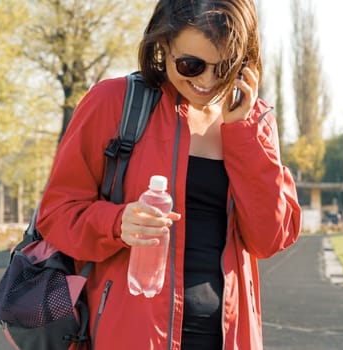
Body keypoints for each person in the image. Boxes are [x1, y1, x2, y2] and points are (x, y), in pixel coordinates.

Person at [36, 1, 301, 349]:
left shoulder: (255, 119)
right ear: (163, 45)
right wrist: (117, 223)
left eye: (224, 68)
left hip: (229, 338)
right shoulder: (114, 103)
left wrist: (244, 134)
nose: (207, 82)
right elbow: (56, 214)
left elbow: (269, 238)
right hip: (130, 336)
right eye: (191, 65)